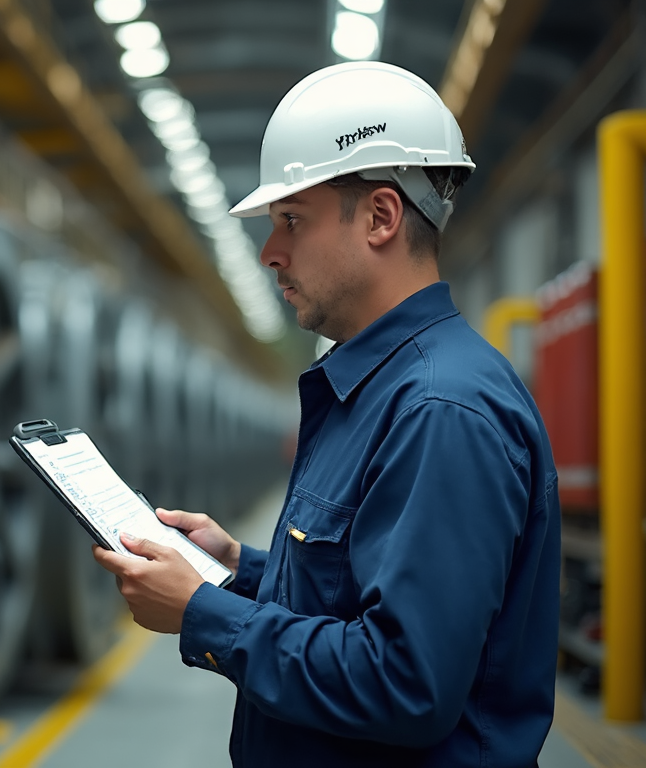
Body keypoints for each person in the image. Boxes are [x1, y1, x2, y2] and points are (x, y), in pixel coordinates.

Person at [93, 61, 561, 767]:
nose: (270, 253)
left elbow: (404, 683)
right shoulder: (374, 389)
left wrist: (202, 613)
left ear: (380, 217)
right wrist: (236, 572)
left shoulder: (440, 411)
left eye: (290, 221)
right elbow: (357, 586)